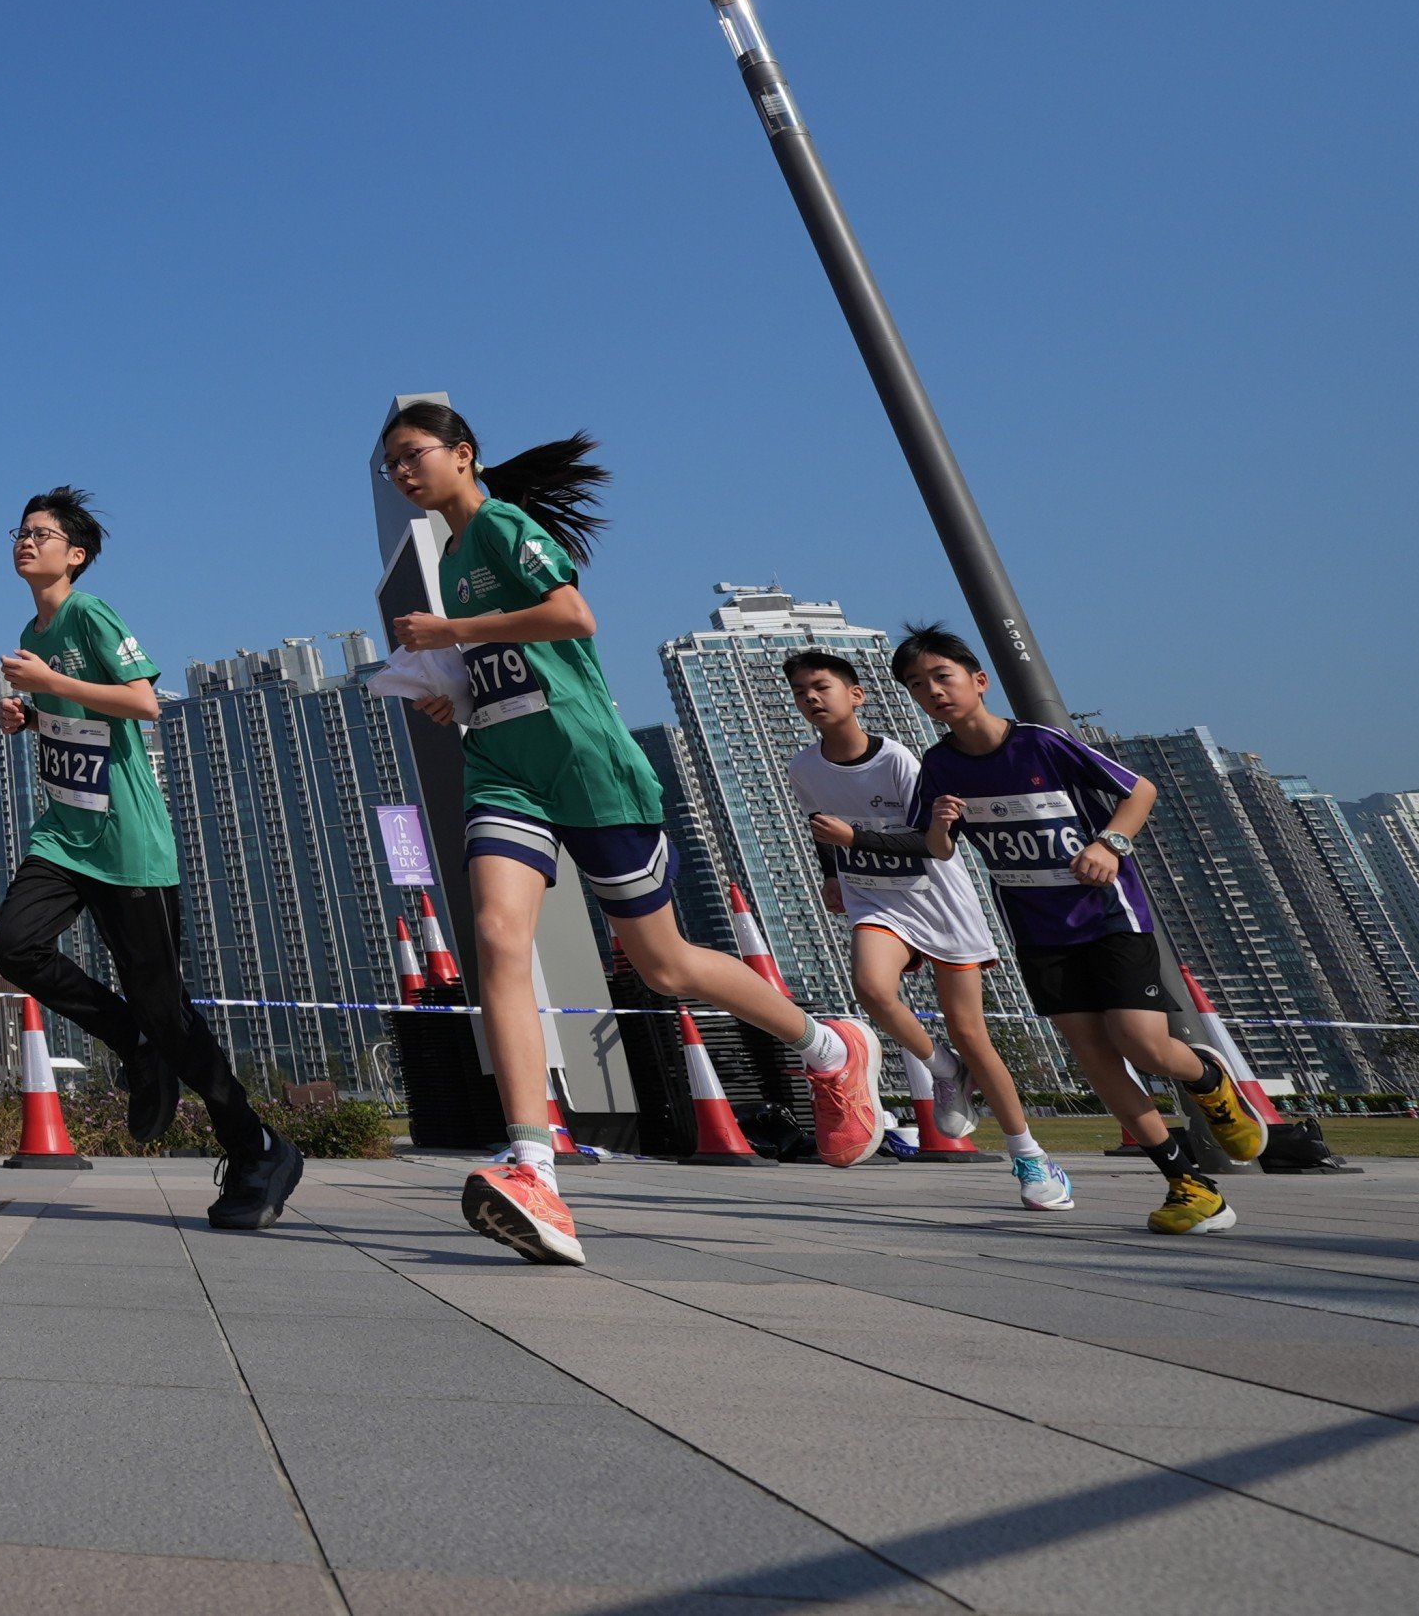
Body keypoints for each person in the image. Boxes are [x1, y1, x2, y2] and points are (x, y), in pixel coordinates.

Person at [375, 403, 881, 1269]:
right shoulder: (451, 558)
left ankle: (830, 1047)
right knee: (497, 940)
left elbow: (573, 618)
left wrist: (455, 633)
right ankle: (533, 1163)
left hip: (589, 768)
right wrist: (452, 688)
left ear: (463, 454)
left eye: (412, 456)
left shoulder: (500, 524)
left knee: (666, 965)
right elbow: (515, 661)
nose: (401, 474)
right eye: (389, 466)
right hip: (502, 768)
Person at [875, 624, 1267, 1235]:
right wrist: (943, 825)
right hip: (1038, 932)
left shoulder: (1041, 743)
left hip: (1109, 916)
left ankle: (1211, 1081)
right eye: (918, 686)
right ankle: (1190, 1187)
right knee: (1094, 1056)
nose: (933, 692)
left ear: (978, 681)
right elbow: (937, 848)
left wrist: (1110, 843)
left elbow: (1139, 791)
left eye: (942, 677)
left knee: (1140, 1044)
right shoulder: (938, 765)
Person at [0, 486, 299, 1232]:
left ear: (75, 553)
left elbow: (142, 701)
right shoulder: (36, 625)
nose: (24, 541)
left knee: (169, 1010)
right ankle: (132, 1043)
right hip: (65, 834)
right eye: (19, 532)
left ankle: (256, 1146)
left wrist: (48, 685)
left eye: (40, 532)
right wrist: (28, 717)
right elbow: (78, 712)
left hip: (127, 844)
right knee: (16, 946)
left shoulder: (90, 614)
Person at [783, 649, 1074, 1212]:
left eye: (821, 687)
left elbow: (933, 843)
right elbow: (823, 830)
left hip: (938, 901)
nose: (812, 699)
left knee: (971, 1032)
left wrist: (854, 842)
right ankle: (944, 1071)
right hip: (875, 900)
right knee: (872, 989)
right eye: (800, 692)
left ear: (856, 695)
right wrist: (830, 875)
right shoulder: (803, 769)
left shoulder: (899, 762)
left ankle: (1029, 1154)